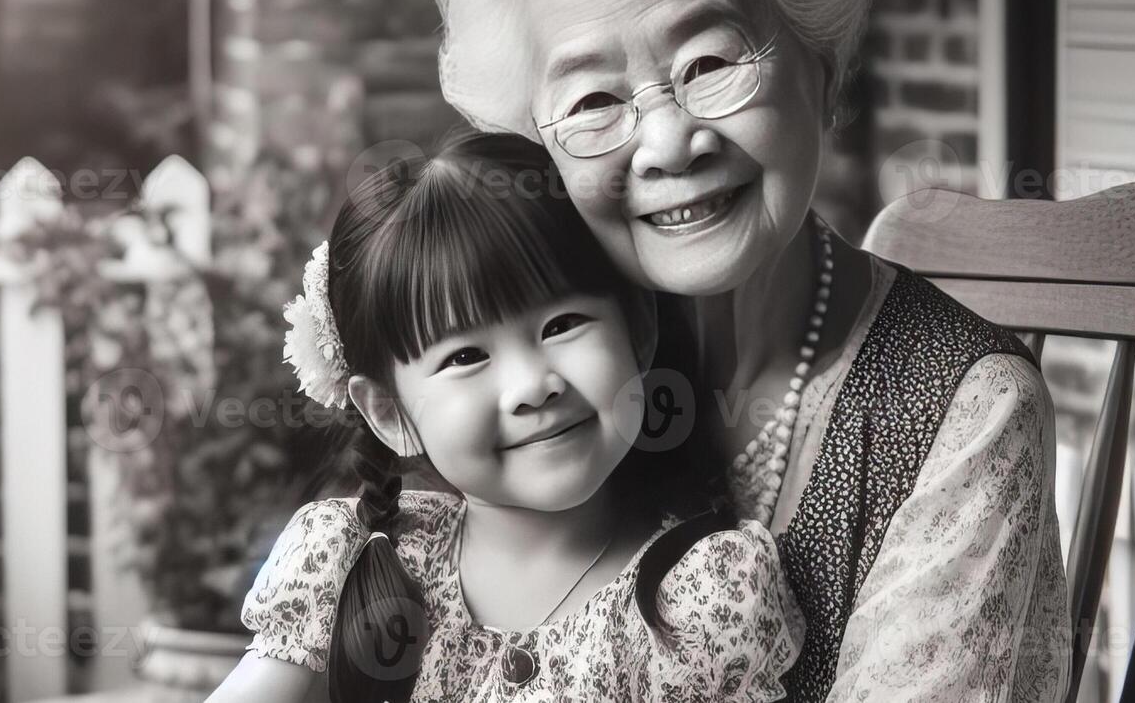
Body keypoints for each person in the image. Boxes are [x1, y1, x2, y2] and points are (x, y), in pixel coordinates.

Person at [433, 0, 1072, 701]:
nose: (666, 144)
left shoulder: (968, 412)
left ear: (817, 66)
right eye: (592, 101)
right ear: (538, 149)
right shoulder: (530, 378)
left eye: (709, 63)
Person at [206, 128, 804, 703]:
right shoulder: (351, 561)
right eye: (466, 356)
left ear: (638, 332)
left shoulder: (701, 599)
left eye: (561, 326)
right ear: (391, 414)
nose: (531, 387)